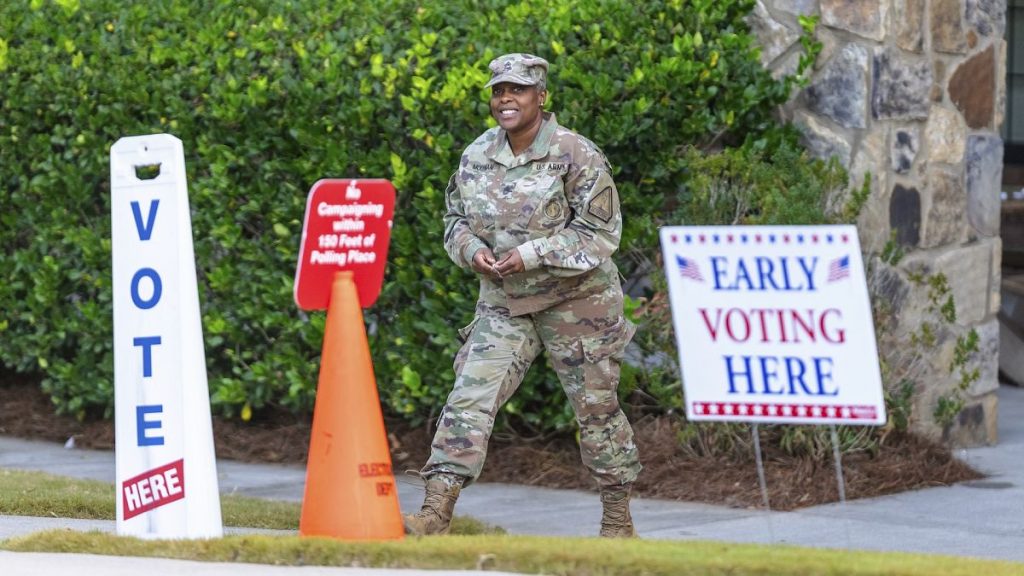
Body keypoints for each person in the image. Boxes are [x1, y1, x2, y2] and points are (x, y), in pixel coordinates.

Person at [402, 53, 642, 538]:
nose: (505, 98)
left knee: (596, 411)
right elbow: (454, 221)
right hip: (505, 302)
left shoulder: (577, 153)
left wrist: (531, 254)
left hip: (579, 304)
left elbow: (600, 232)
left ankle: (617, 522)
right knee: (470, 394)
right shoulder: (476, 155)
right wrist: (471, 251)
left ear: (541, 97)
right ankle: (435, 513)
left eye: (518, 89)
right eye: (498, 91)